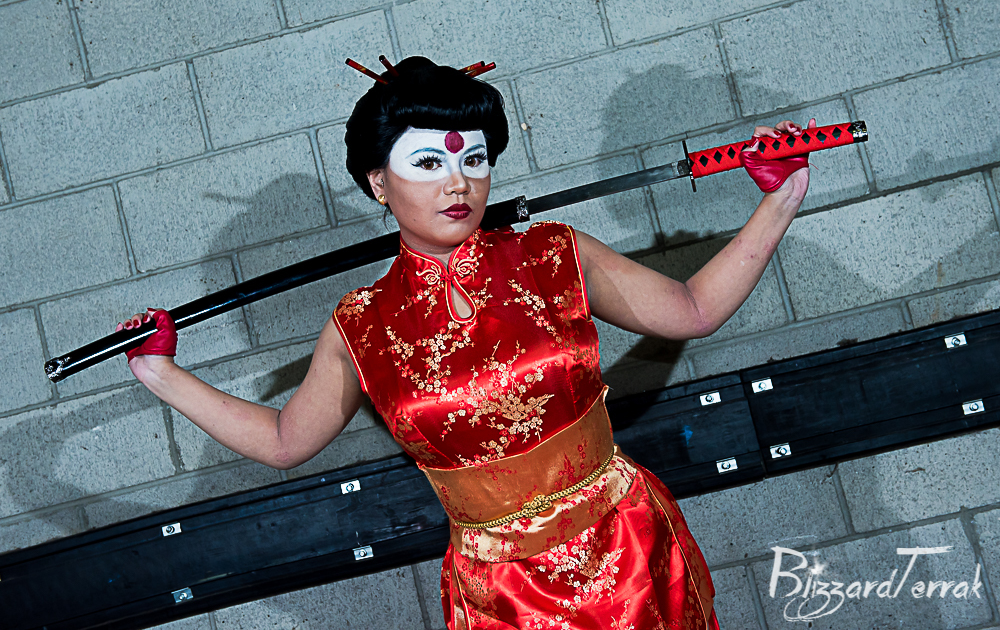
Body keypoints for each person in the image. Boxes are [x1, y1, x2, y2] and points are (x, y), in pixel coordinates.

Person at [118, 56, 814, 629]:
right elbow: (282, 441)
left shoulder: (553, 253)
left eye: (475, 160)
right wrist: (160, 374)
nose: (459, 183)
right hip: (500, 596)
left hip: (627, 550)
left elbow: (692, 309)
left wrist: (779, 199)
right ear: (378, 182)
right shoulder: (361, 324)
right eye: (428, 163)